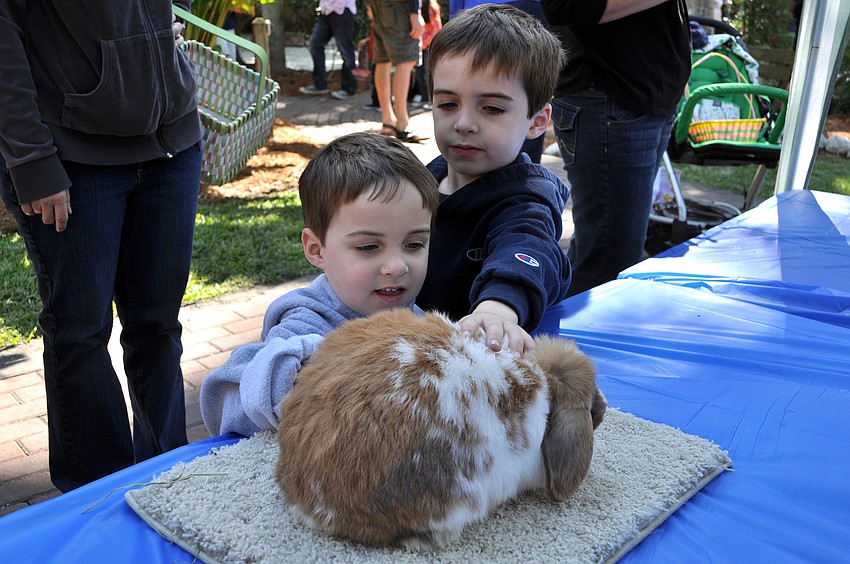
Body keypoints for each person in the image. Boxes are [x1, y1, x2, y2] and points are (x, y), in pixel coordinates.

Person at [0, 1, 202, 492]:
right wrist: (30, 160)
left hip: (171, 146)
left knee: (157, 325)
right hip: (70, 157)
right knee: (80, 332)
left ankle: (167, 476)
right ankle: (97, 496)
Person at [200, 133, 440, 437]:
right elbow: (227, 399)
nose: (397, 266)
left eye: (414, 244)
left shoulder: (413, 316)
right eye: (368, 247)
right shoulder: (305, 325)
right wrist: (306, 371)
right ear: (316, 250)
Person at [415, 4, 572, 350]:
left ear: (537, 121)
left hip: (478, 368)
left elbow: (529, 247)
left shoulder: (527, 202)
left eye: (491, 109)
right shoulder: (417, 185)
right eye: (447, 104)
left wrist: (498, 309)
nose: (464, 123)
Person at [541, 0, 691, 296]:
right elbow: (563, 7)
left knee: (602, 256)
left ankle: (551, 334)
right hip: (612, 100)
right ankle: (561, 339)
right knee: (608, 268)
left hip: (638, 101)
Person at [367, 0, 426, 142]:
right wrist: (414, 13)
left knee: (383, 61)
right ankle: (402, 123)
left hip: (378, 6)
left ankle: (388, 122)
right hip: (400, 7)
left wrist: (370, 5)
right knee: (406, 61)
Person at [298, 0, 358, 100]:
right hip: (325, 12)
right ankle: (320, 85)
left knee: (346, 51)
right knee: (315, 45)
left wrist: (339, 7)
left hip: (342, 11)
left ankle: (348, 89)